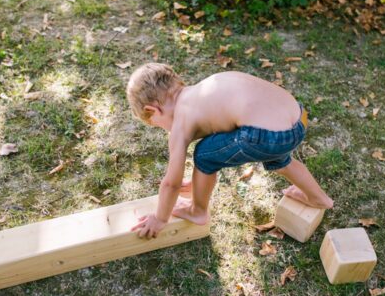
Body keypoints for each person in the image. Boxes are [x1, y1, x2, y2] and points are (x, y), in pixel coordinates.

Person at [126, 63, 333, 239]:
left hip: (268, 137)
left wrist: (160, 218)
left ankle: (197, 211)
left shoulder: (180, 123)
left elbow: (171, 183)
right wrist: (196, 183)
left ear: (152, 110)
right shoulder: (204, 89)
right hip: (297, 119)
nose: (165, 129)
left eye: (156, 124)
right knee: (280, 158)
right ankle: (319, 198)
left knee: (204, 155)